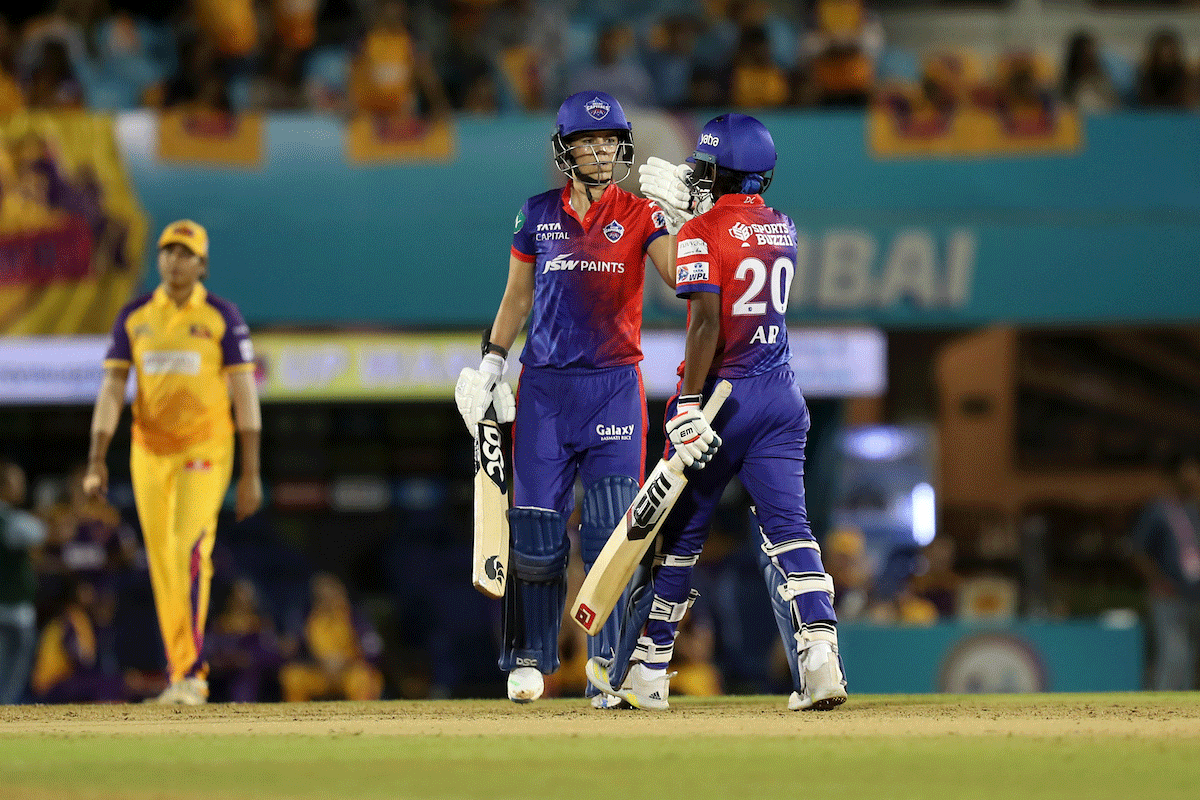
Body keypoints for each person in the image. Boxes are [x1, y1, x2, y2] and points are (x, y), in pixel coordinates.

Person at [586, 113, 848, 711]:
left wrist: (687, 403)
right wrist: (691, 229)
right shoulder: (784, 227)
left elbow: (706, 321)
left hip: (724, 399)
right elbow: (735, 257)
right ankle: (821, 660)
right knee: (791, 531)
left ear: (721, 172)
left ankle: (649, 673)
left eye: (705, 169)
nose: (695, 178)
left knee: (678, 535)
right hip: (781, 393)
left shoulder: (702, 230)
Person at [454, 89, 676, 707]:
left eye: (610, 141)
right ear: (566, 150)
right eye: (590, 141)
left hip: (613, 389)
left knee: (612, 530)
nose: (602, 152)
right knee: (536, 533)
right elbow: (516, 299)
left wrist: (693, 228)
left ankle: (610, 664)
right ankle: (529, 656)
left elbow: (686, 280)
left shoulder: (641, 215)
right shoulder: (536, 214)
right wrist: (491, 365)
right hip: (545, 389)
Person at [83, 219, 263, 705]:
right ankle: (182, 674)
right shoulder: (135, 316)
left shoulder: (222, 316)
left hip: (206, 450)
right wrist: (97, 458)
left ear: (202, 265)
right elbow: (112, 390)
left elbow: (245, 394)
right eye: (167, 251)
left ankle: (192, 674)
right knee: (163, 563)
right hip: (149, 453)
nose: (174, 260)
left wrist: (250, 472)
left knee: (188, 550)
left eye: (185, 253)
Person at [1130, 452, 1200, 691]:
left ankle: (1186, 719)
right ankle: (1160, 715)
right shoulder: (1161, 509)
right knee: (1173, 657)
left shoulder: (1197, 510)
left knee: (1189, 662)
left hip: (1196, 596)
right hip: (1169, 597)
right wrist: (1158, 581)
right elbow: (1137, 550)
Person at [278, 572, 383, 702]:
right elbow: (291, 649)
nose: (328, 599)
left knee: (364, 677)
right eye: (322, 597)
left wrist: (346, 660)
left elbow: (374, 648)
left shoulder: (355, 616)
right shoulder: (304, 616)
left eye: (331, 594)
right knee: (292, 676)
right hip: (318, 671)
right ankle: (296, 717)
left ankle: (362, 717)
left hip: (347, 672)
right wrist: (317, 660)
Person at [1, 460, 47, 704]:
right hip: (12, 613)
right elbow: (39, 532)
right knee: (8, 685)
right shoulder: (8, 519)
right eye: (15, 481)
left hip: (13, 612)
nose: (21, 486)